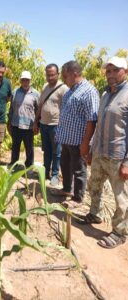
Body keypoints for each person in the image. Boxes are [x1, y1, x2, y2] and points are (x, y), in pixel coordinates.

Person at [78, 56, 128, 249]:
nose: (111, 74)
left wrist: (127, 163)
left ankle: (119, 232)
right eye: (108, 71)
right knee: (94, 185)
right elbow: (99, 126)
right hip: (100, 151)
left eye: (115, 70)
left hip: (117, 155)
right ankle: (94, 213)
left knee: (121, 197)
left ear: (125, 71)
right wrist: (91, 149)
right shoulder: (105, 95)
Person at [55, 60, 100, 206]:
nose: (63, 79)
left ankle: (78, 198)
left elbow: (91, 120)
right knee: (65, 166)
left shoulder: (89, 91)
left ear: (75, 74)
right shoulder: (70, 90)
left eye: (65, 76)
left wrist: (86, 143)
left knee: (79, 170)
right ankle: (67, 189)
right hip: (66, 138)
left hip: (78, 141)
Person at [33, 64, 68, 183]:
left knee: (56, 151)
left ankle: (55, 175)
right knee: (46, 150)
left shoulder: (64, 89)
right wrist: (36, 121)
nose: (50, 77)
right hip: (43, 124)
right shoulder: (45, 86)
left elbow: (67, 109)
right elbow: (41, 105)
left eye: (52, 75)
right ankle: (45, 172)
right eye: (48, 75)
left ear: (58, 74)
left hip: (56, 125)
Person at [8, 71, 39, 170]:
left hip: (29, 126)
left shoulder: (35, 94)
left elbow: (38, 110)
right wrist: (9, 122)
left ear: (30, 81)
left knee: (29, 148)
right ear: (21, 81)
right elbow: (11, 108)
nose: (25, 82)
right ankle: (14, 164)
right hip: (16, 124)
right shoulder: (15, 92)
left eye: (27, 80)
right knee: (15, 146)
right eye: (23, 80)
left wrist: (36, 124)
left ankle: (29, 165)